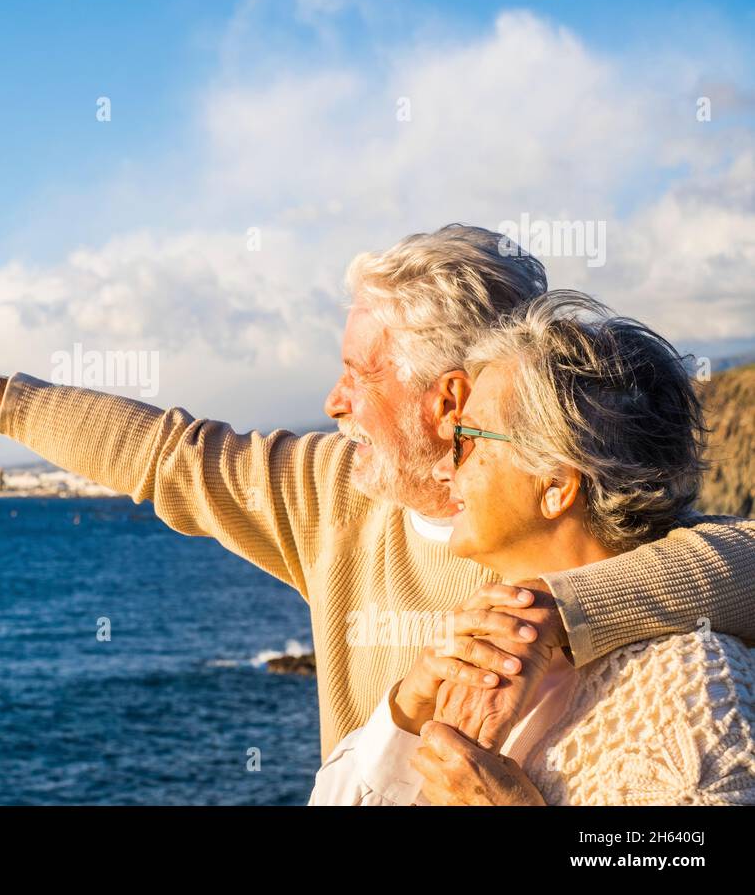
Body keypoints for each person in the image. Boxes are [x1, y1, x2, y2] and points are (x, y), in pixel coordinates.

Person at [0, 224, 755, 788]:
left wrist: (569, 614)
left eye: (355, 373)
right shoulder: (333, 496)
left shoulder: (654, 618)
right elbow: (162, 452)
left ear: (452, 396)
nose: (333, 402)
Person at [309, 290, 755, 804]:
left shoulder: (693, 700)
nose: (441, 467)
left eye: (466, 441)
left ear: (555, 485)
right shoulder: (481, 651)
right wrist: (407, 710)